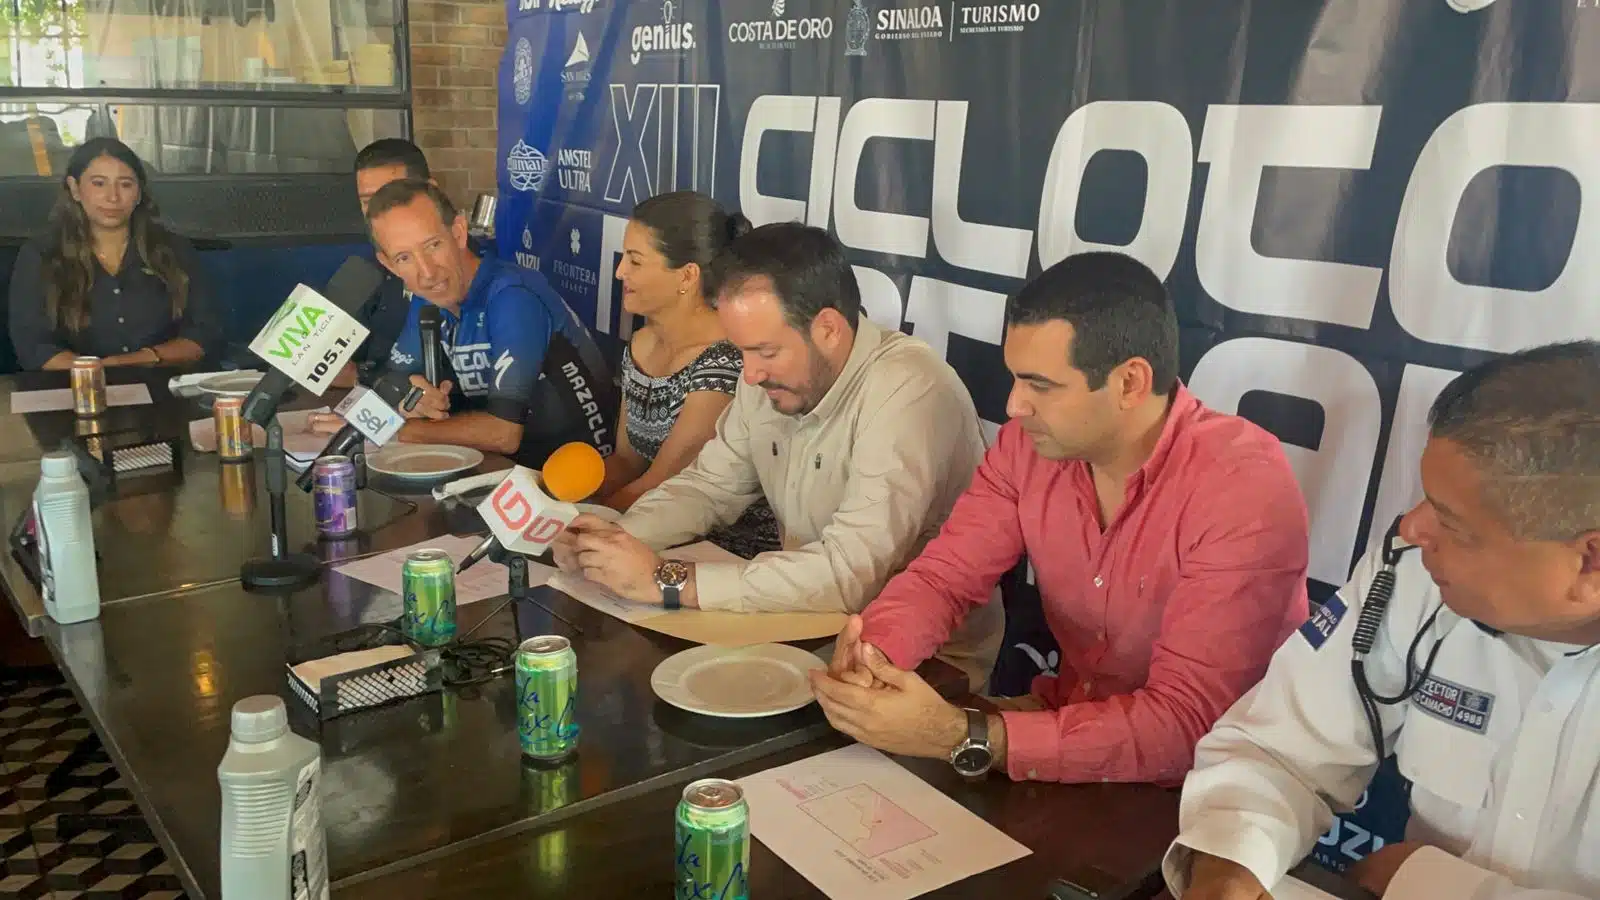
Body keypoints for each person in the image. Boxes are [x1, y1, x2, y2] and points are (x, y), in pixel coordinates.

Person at [810, 251, 1310, 785]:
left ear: (1130, 383)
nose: (1013, 406)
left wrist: (964, 735)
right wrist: (875, 655)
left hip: (1213, 788)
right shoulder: (1027, 449)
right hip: (1066, 732)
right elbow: (945, 578)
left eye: (1039, 385)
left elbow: (1187, 725)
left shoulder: (1241, 484)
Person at [1164, 341, 1600, 900]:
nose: (1414, 528)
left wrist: (1425, 882)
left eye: (1453, 522)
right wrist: (1231, 865)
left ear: (1590, 558)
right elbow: (1279, 747)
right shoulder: (1417, 575)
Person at [553, 222, 1004, 688]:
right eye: (742, 351)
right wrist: (612, 543)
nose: (748, 375)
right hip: (807, 628)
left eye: (766, 351)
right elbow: (708, 487)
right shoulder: (764, 377)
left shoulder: (909, 388)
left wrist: (668, 580)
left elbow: (850, 573)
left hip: (924, 663)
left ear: (828, 329)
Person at [312, 178, 616, 466]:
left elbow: (503, 433)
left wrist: (385, 428)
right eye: (404, 258)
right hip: (508, 472)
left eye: (433, 245)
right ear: (388, 264)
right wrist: (411, 395)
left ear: (458, 233)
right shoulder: (429, 296)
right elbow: (396, 377)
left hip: (578, 482)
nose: (427, 272)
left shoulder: (511, 297)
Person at [595, 190, 780, 558]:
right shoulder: (641, 344)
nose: (619, 272)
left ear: (687, 275)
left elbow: (662, 483)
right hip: (653, 534)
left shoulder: (726, 361)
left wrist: (587, 526)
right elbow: (627, 462)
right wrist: (552, 495)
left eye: (635, 261)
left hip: (727, 553)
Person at [8, 137, 220, 370]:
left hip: (164, 389)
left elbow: (204, 334)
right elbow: (34, 347)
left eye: (126, 184)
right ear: (75, 188)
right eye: (99, 184)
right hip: (73, 391)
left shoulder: (174, 249)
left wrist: (129, 361)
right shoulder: (41, 254)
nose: (113, 197)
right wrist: (97, 376)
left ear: (139, 193)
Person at [349, 138, 433, 372]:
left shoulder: (465, 272)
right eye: (367, 201)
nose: (378, 210)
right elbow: (316, 359)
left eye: (391, 196)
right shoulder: (365, 273)